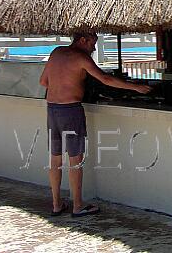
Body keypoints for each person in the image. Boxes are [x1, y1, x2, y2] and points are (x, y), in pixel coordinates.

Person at [39, 33, 152, 218]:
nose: (94, 48)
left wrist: (63, 84)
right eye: (93, 43)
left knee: (55, 159)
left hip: (52, 110)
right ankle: (77, 205)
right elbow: (105, 79)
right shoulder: (81, 58)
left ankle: (56, 204)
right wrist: (135, 87)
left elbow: (43, 82)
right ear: (83, 40)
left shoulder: (56, 52)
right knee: (75, 160)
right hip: (71, 111)